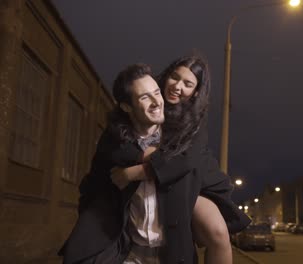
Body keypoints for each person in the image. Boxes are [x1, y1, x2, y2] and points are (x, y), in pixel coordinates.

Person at [59, 59, 249, 264]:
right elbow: (111, 151)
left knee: (217, 232)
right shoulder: (132, 118)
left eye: (188, 84)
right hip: (135, 240)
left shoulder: (193, 123)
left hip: (201, 181)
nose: (177, 86)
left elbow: (185, 161)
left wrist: (132, 172)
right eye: (175, 77)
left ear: (195, 93)